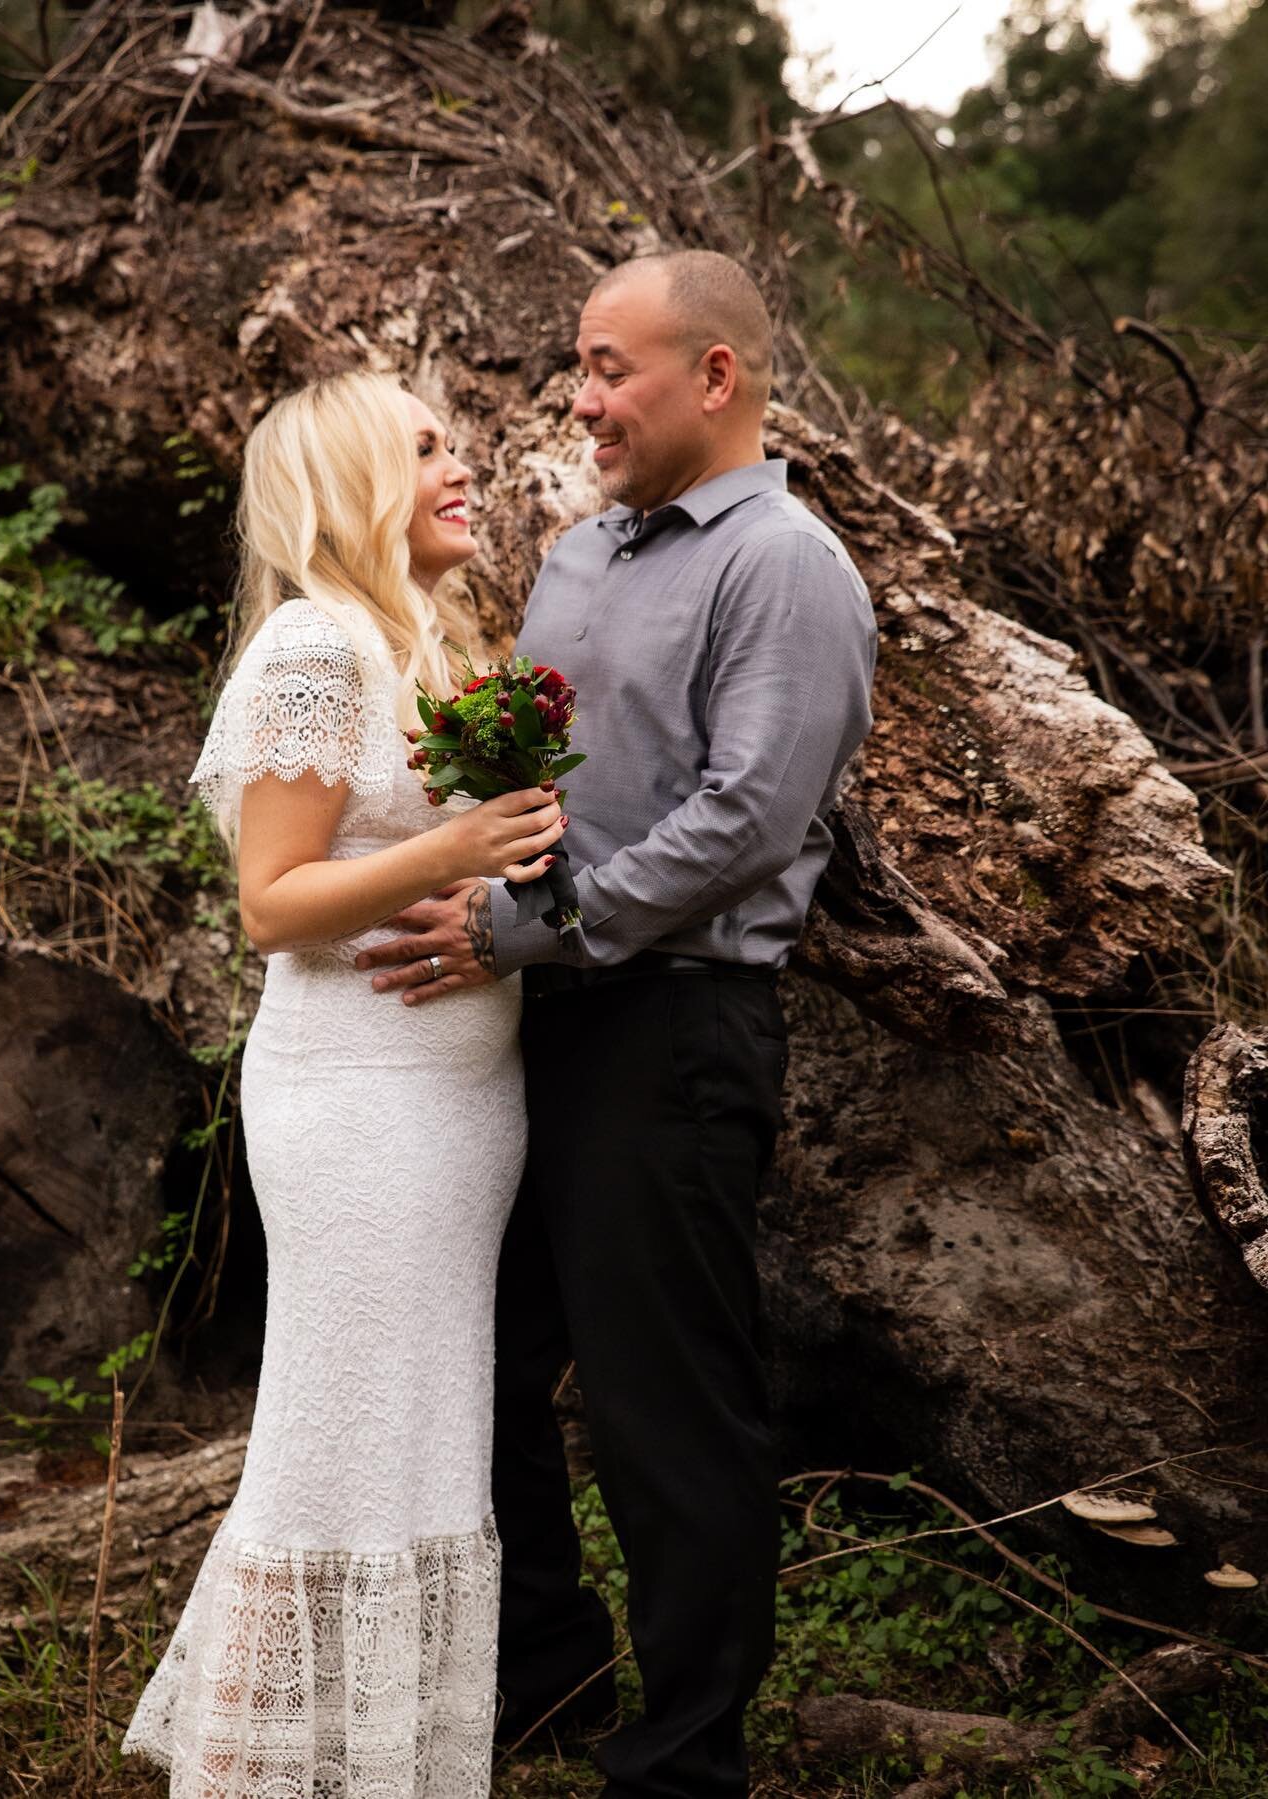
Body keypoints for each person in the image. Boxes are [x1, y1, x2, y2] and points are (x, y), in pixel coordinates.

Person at [354, 250, 879, 1798]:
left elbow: (743, 820)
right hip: (542, 1024)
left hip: (678, 1031)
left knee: (665, 1408)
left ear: (713, 376)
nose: (581, 401)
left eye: (608, 367)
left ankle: (685, 1751)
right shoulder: (581, 562)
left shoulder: (786, 567)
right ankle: (544, 1665)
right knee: (487, 1361)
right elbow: (539, 786)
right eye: (577, 368)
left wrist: (522, 926)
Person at [120, 368, 567, 1797]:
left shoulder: (432, 651)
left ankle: (389, 1763)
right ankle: (254, 1772)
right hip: (360, 1102)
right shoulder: (316, 650)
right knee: (335, 1445)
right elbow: (271, 901)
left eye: (454, 441)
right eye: (425, 447)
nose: (461, 465)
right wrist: (461, 850)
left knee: (427, 1441)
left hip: (460, 1102)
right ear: (354, 483)